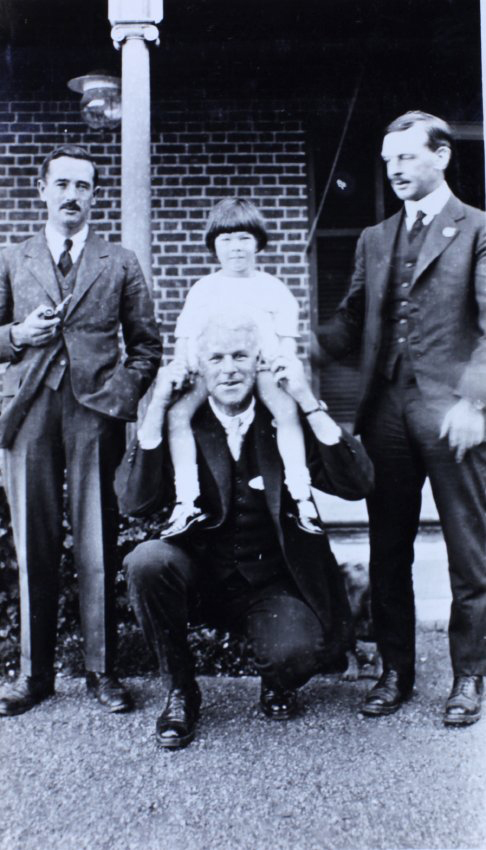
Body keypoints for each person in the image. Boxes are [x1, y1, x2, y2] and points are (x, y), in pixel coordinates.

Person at [115, 312, 374, 749]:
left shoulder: (284, 419)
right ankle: (181, 690)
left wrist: (309, 400)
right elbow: (133, 500)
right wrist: (157, 405)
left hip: (271, 582)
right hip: (199, 574)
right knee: (146, 562)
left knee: (297, 652)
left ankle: (276, 677)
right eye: (216, 358)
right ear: (201, 366)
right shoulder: (185, 422)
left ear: (258, 363)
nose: (229, 368)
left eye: (240, 356)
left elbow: (357, 483)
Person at [318, 111, 486, 726]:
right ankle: (396, 672)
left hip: (451, 413)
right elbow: (348, 321)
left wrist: (475, 403)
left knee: (471, 550)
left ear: (441, 157)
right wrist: (293, 345)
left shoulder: (478, 231)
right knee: (389, 548)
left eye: (407, 158)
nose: (394, 170)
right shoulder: (374, 237)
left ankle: (469, 676)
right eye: (388, 161)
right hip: (385, 409)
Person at [0, 144, 162, 716]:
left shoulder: (118, 262)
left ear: (95, 195)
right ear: (41, 189)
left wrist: (118, 399)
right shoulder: (12, 258)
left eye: (84, 186)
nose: (73, 196)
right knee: (33, 544)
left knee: (96, 543)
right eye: (62, 184)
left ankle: (101, 672)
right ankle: (33, 674)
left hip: (94, 415)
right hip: (28, 414)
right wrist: (18, 335)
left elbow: (147, 348)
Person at [163, 197, 323, 537]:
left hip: (259, 369)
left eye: (244, 239)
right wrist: (184, 366)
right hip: (213, 372)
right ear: (214, 246)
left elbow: (286, 344)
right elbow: (186, 339)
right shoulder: (204, 289)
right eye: (226, 239)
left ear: (258, 242)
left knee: (286, 411)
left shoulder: (273, 289)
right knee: (177, 414)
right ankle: (186, 498)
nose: (236, 248)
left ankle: (300, 491)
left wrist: (283, 365)